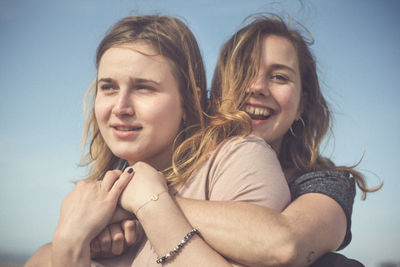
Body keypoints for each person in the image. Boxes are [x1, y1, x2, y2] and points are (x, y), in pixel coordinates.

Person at [89, 14, 379, 266]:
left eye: (279, 77)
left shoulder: (326, 184)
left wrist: (141, 201)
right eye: (243, 73)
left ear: (303, 103)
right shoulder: (183, 168)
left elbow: (285, 244)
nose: (257, 87)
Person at [25, 15, 290, 267]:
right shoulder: (98, 205)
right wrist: (70, 242)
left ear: (190, 101)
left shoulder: (236, 159)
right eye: (108, 87)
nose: (120, 107)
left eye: (144, 88)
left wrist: (149, 202)